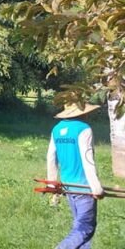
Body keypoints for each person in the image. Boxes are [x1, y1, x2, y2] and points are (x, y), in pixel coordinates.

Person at [47, 103, 105, 249]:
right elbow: (87, 159)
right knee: (85, 228)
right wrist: (96, 187)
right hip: (84, 187)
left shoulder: (57, 129)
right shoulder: (83, 129)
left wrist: (52, 185)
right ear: (82, 113)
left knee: (80, 227)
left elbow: (51, 157)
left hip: (69, 186)